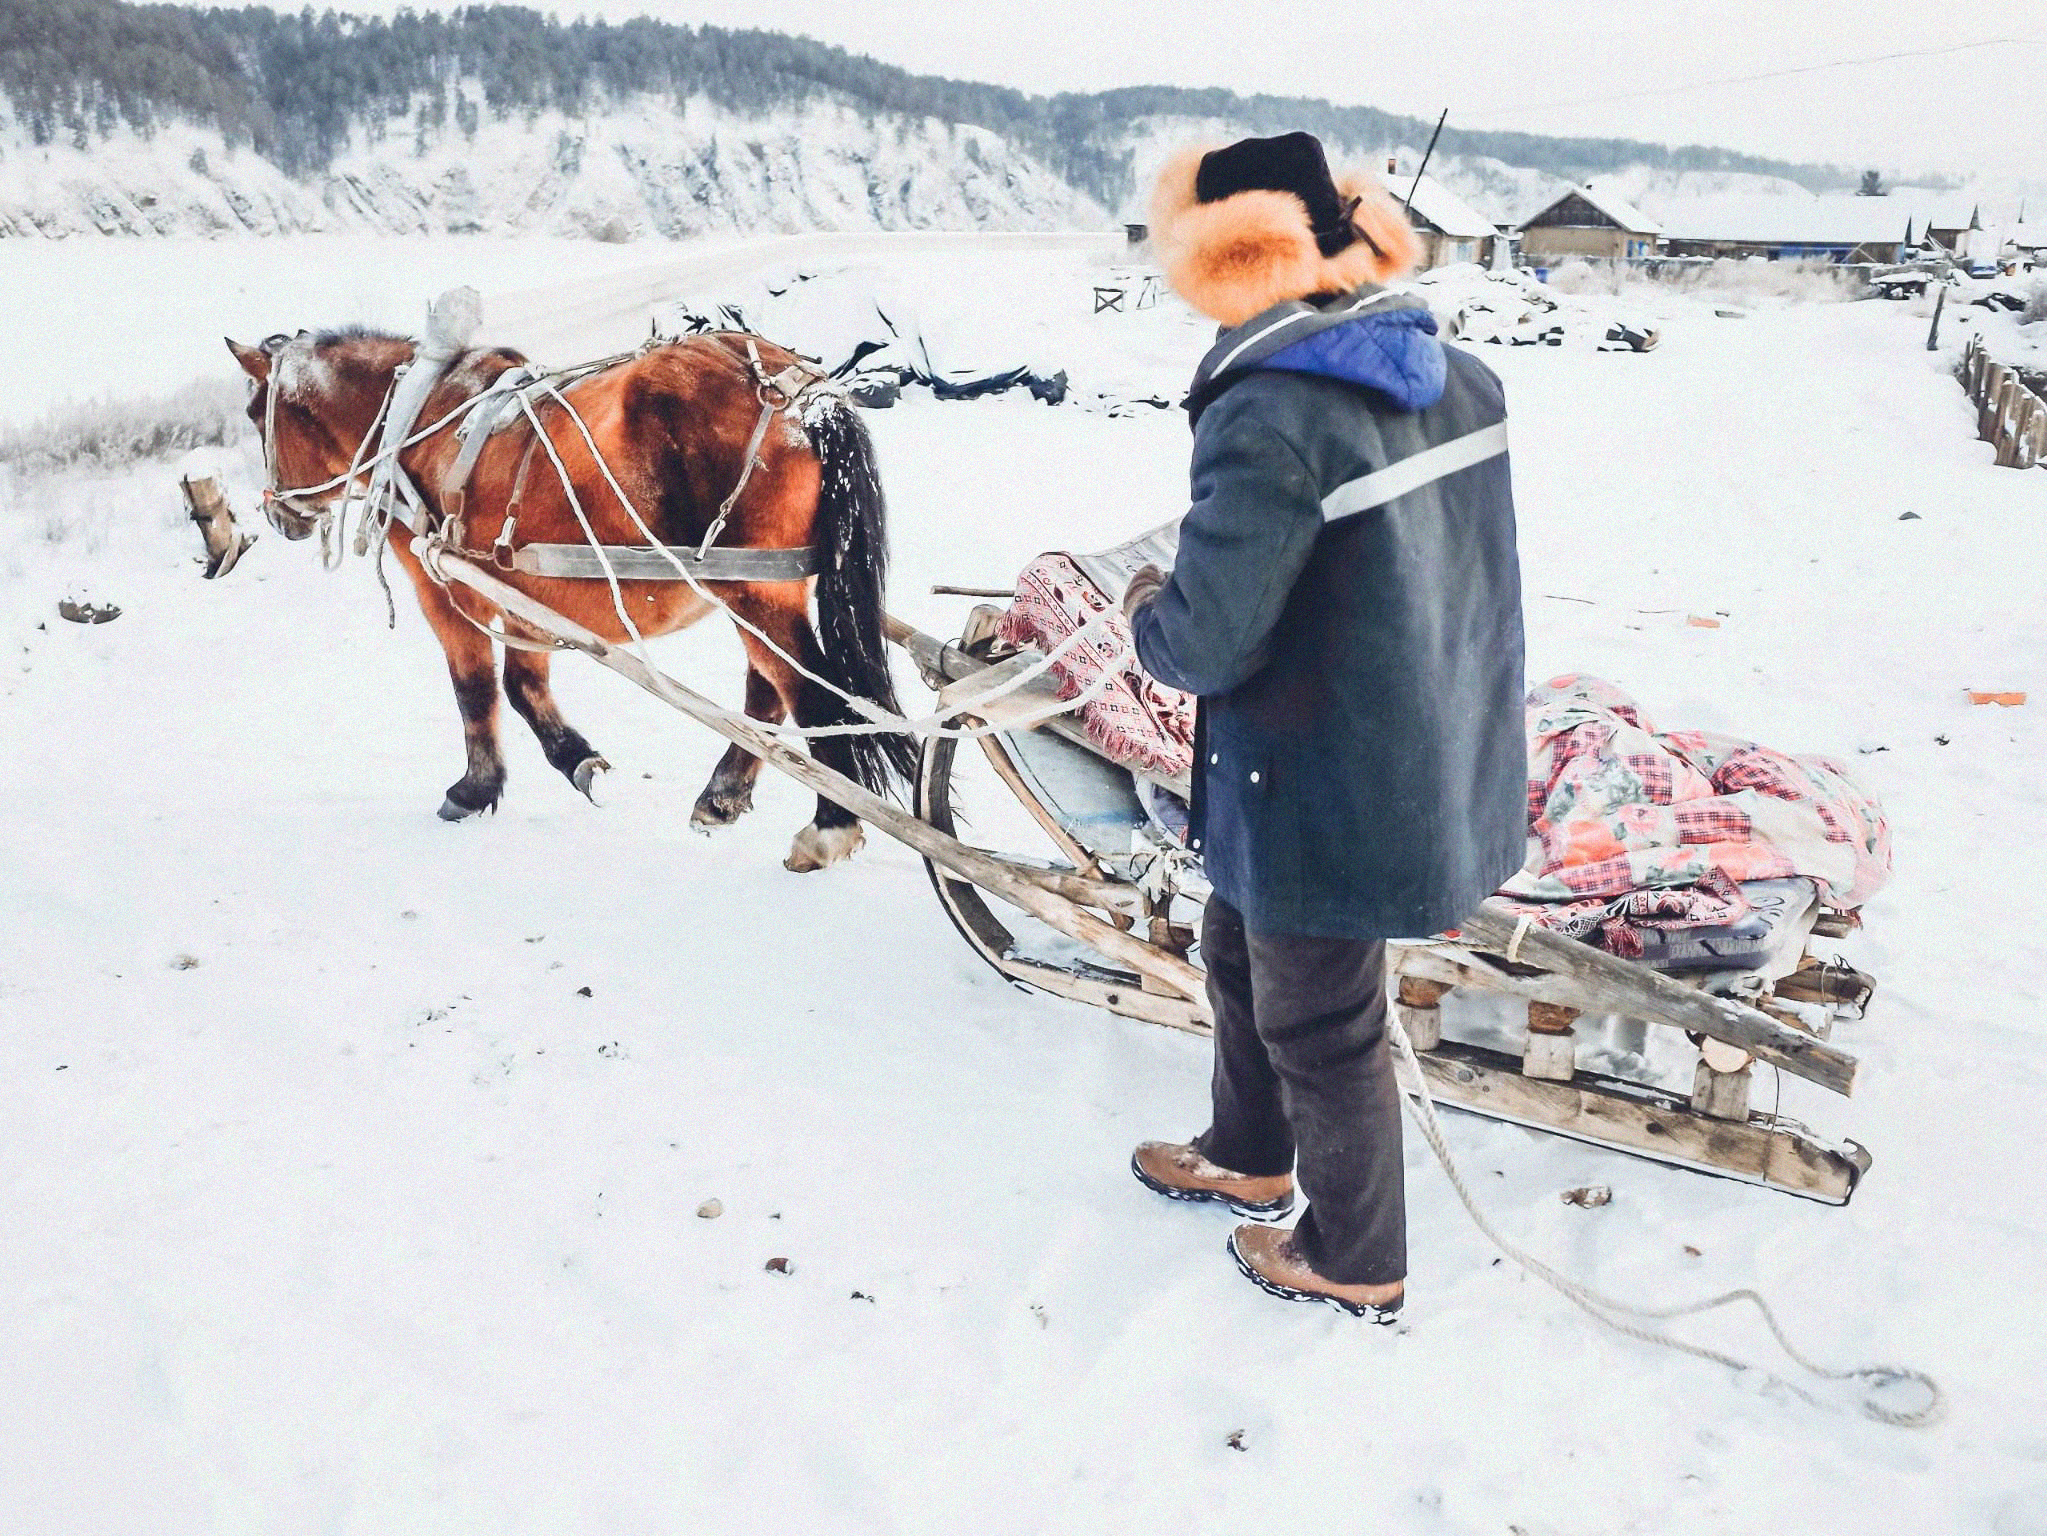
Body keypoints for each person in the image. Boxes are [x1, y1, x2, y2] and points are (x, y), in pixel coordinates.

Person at [1123, 133, 1527, 1319]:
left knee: (1320, 1017)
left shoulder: (1269, 413)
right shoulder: (1461, 378)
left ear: (1222, 259)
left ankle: (1354, 1257)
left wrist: (1146, 606)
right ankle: (1247, 1153)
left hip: (1321, 773)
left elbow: (1205, 643)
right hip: (1426, 733)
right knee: (1235, 946)